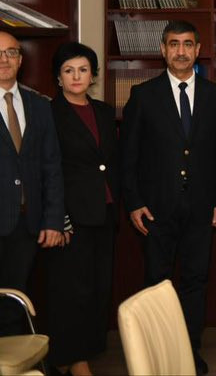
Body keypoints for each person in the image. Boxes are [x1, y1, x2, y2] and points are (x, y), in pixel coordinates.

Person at [120, 20, 216, 374]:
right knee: (157, 282)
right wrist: (134, 202)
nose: (180, 51)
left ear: (198, 50)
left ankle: (189, 351)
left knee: (196, 281)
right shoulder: (143, 95)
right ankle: (156, 355)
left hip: (202, 207)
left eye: (187, 44)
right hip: (155, 209)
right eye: (173, 44)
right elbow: (128, 156)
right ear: (163, 50)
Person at [45, 43, 118, 376]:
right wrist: (58, 218)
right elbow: (47, 168)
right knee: (72, 290)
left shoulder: (104, 111)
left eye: (83, 70)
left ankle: (83, 351)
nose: (76, 76)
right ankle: (73, 359)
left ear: (93, 75)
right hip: (70, 217)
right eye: (68, 70)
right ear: (59, 78)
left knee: (98, 287)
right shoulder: (48, 113)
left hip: (105, 211)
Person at [0, 32, 63, 337]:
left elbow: (51, 165)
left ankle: (13, 360)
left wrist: (53, 220)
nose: (4, 59)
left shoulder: (39, 105)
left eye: (11, 52)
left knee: (15, 302)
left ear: (21, 60)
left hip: (26, 224)